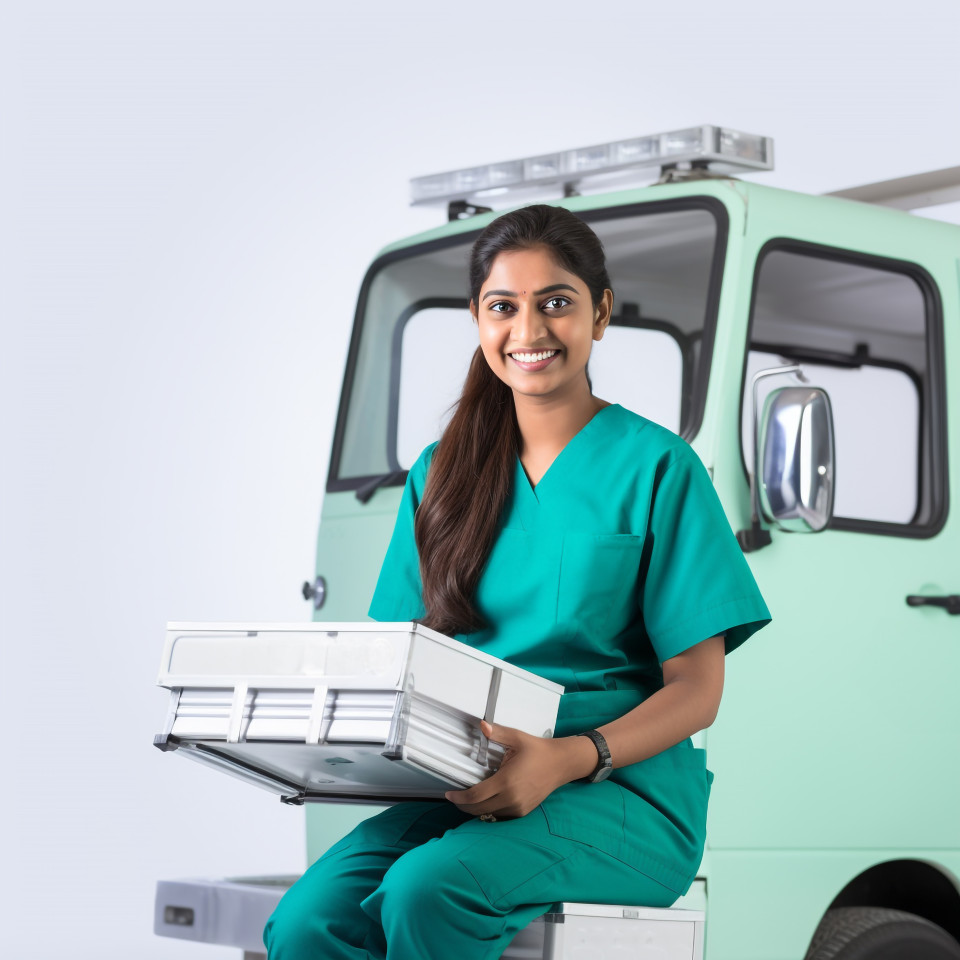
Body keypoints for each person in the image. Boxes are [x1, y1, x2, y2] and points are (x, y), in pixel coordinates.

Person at [264, 204, 771, 960]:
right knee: (309, 922)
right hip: (466, 787)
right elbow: (398, 654)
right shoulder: (441, 474)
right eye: (504, 307)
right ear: (477, 318)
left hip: (618, 794)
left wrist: (569, 757)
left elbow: (697, 690)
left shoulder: (660, 469)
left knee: (429, 890)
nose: (528, 332)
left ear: (600, 314)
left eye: (556, 303)